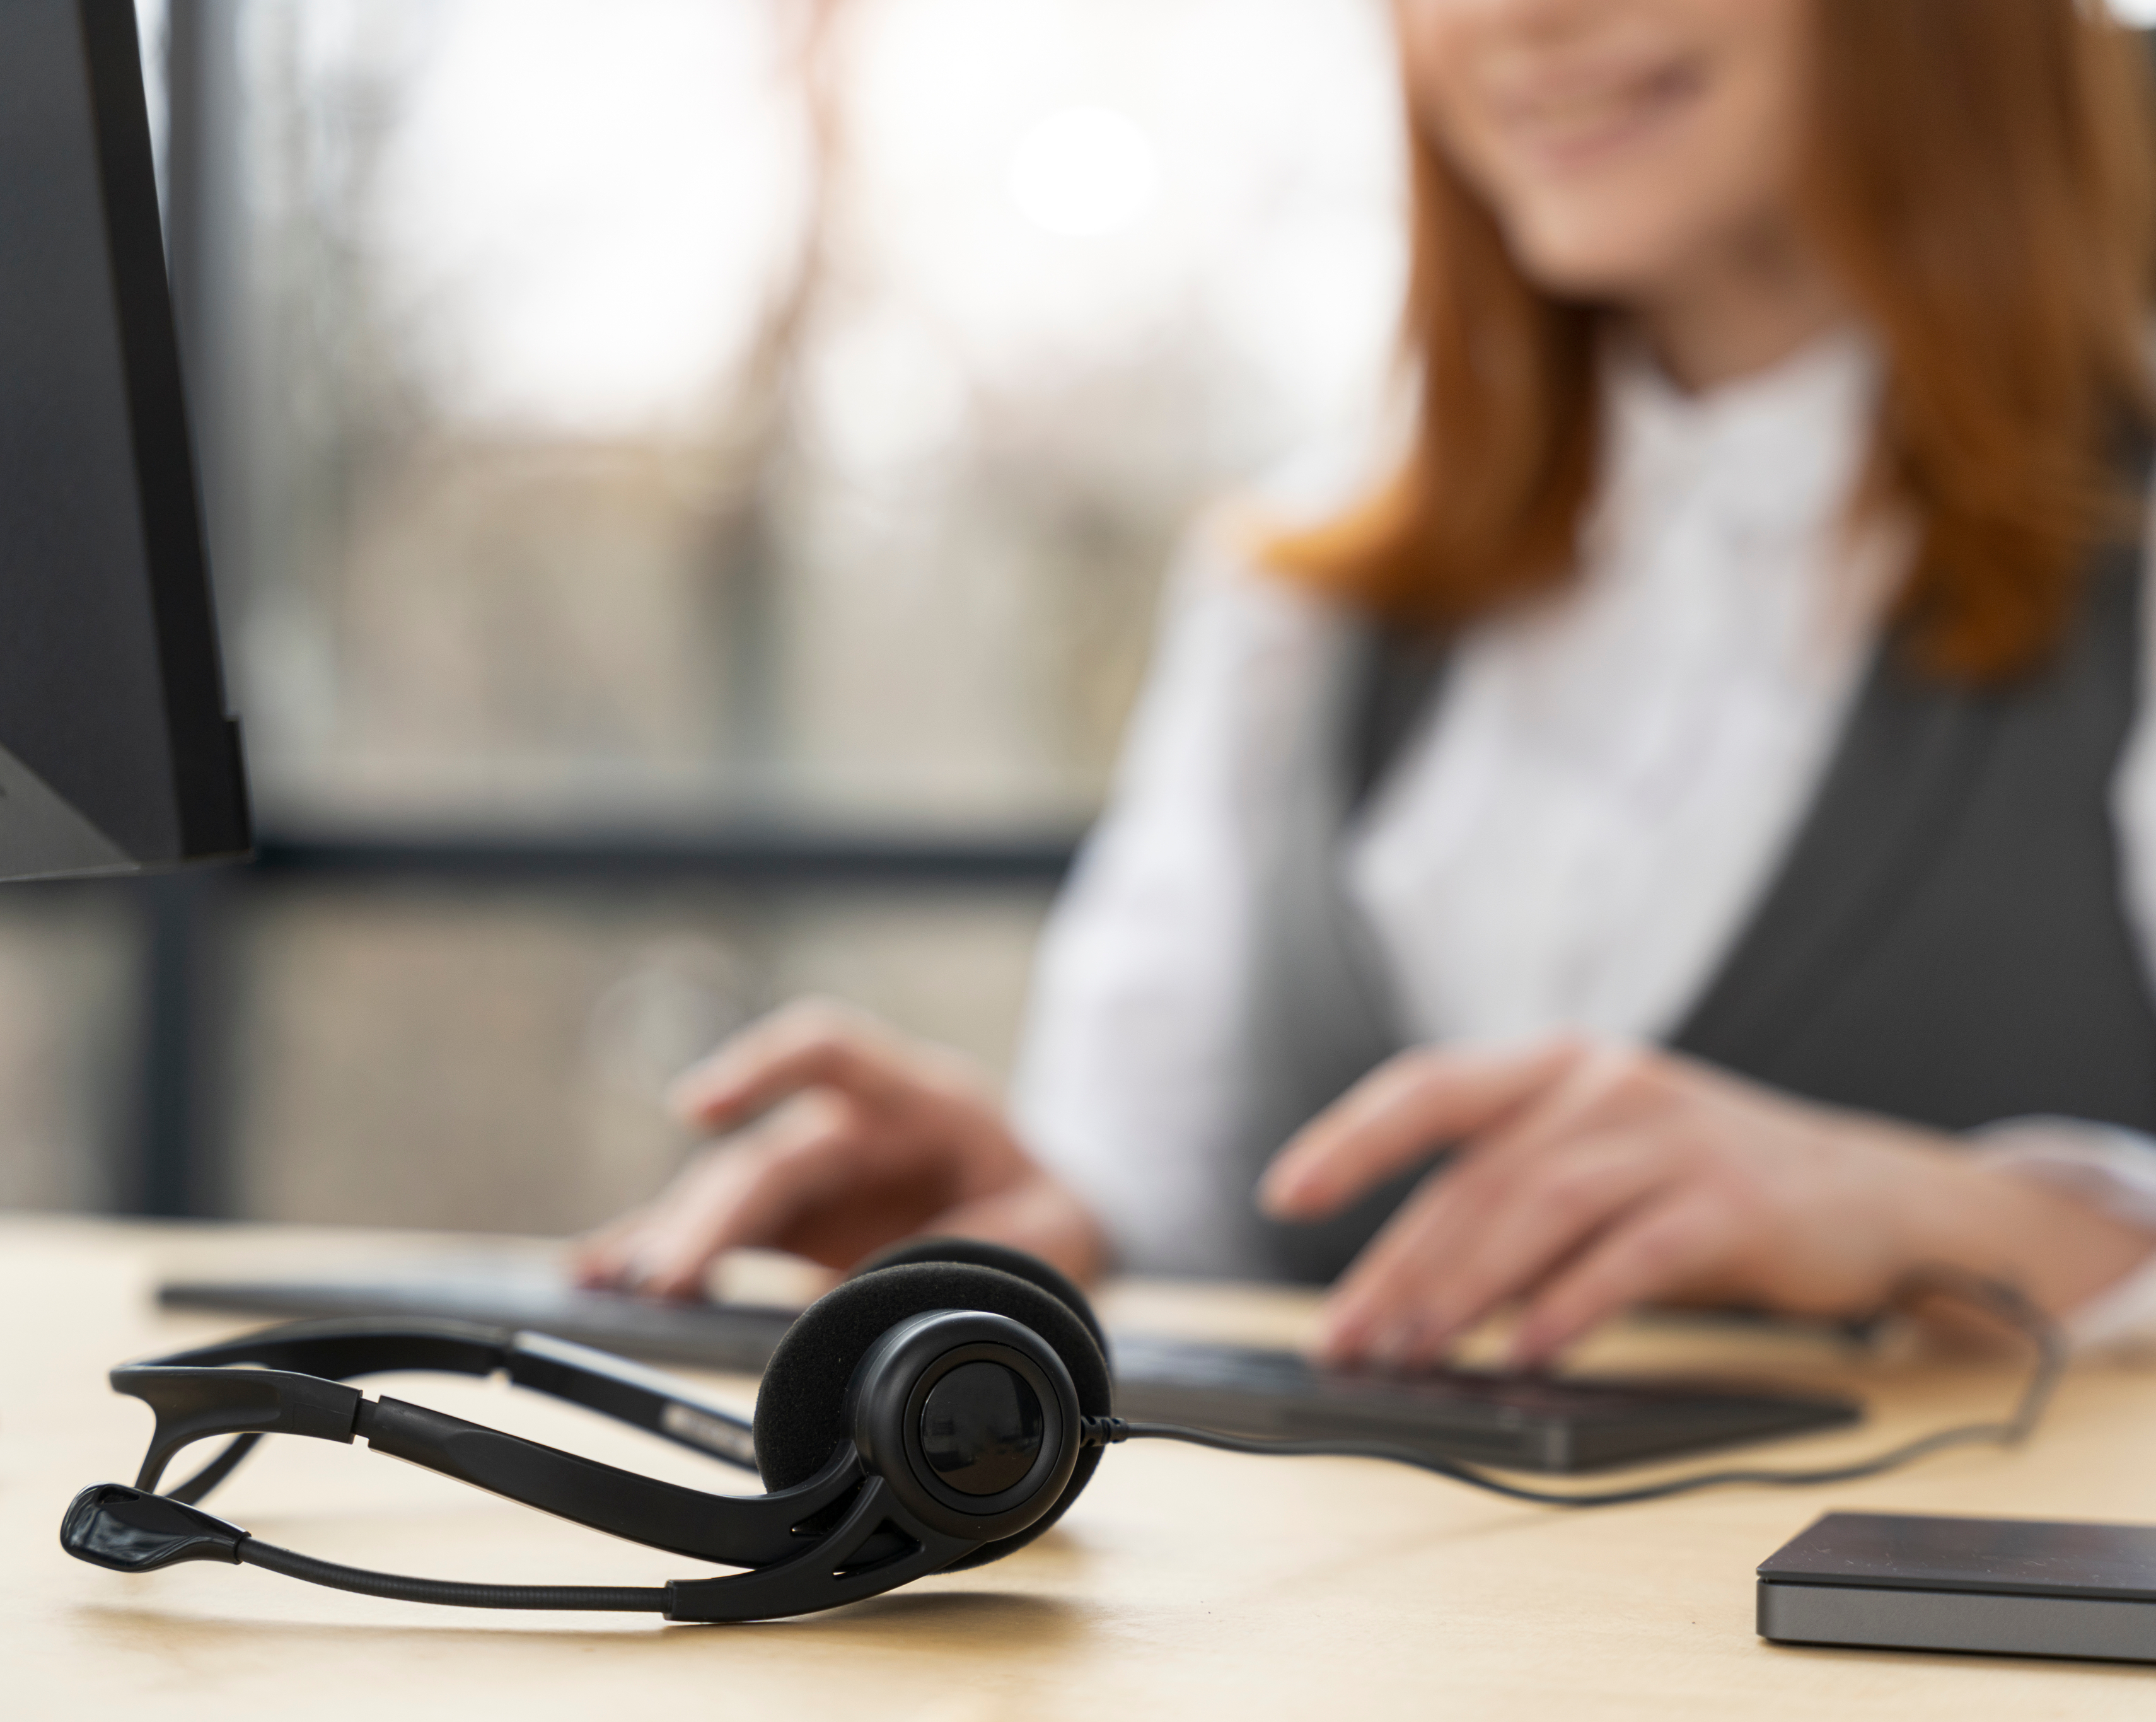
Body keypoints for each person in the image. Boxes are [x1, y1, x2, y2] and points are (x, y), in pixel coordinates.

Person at [580, 0, 2156, 1368]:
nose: (1521, 19)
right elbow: (1166, 1181)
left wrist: (1958, 1219)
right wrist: (1039, 1221)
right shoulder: (1298, 587)